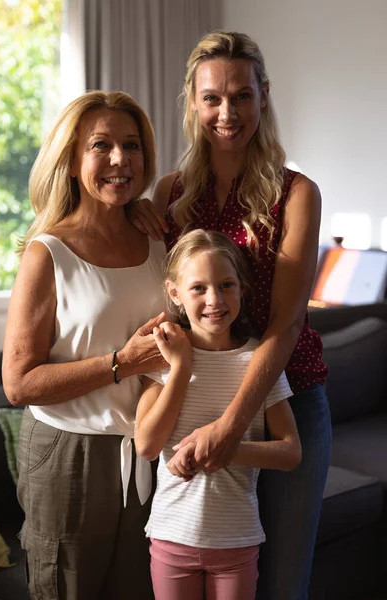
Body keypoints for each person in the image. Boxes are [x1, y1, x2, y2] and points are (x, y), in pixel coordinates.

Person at [129, 30, 332, 600]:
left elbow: (287, 322)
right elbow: (166, 292)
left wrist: (231, 426)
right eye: (212, 97)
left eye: (242, 95)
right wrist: (132, 215)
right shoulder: (170, 193)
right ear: (192, 102)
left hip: (286, 396)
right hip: (199, 397)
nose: (227, 112)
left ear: (263, 96)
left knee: (282, 584)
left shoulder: (297, 194)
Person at [2, 90, 168, 600]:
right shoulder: (47, 253)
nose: (120, 159)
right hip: (66, 453)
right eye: (101, 145)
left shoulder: (158, 241)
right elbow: (18, 383)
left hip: (146, 451)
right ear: (73, 162)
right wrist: (122, 363)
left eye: (132, 145)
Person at [134, 229, 301, 600]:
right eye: (198, 288)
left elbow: (291, 452)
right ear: (175, 293)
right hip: (171, 537)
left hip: (237, 541)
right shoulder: (162, 356)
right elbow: (146, 446)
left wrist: (223, 447)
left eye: (226, 285)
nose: (215, 300)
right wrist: (179, 367)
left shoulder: (259, 361)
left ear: (242, 288)